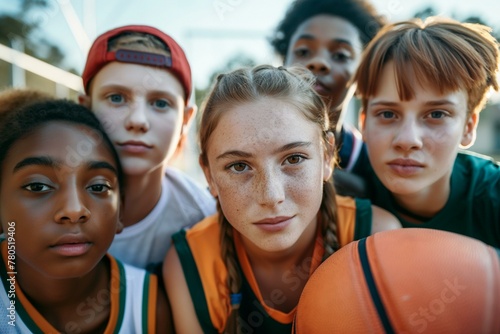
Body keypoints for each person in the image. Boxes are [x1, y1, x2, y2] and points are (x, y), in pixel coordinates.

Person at [163, 65, 401, 333]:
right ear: (209, 175)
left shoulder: (375, 238)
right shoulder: (191, 265)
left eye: (293, 159)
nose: (271, 196)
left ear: (326, 156)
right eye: (239, 166)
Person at [0, 99, 171, 333]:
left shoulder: (148, 309)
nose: (74, 210)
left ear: (120, 210)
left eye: (98, 187)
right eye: (38, 186)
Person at [79, 25, 216, 272]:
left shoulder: (202, 218)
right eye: (117, 98)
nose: (138, 120)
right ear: (85, 108)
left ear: (185, 120)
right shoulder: (36, 203)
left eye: (160, 103)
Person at [352, 17, 500, 247]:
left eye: (437, 114)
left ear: (468, 128)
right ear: (364, 124)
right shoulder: (341, 197)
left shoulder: (493, 197)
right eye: (388, 114)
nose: (407, 140)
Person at [270, 0, 387, 197]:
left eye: (340, 55)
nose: (319, 62)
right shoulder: (250, 142)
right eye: (303, 52)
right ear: (283, 61)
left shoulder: (376, 161)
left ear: (363, 74)